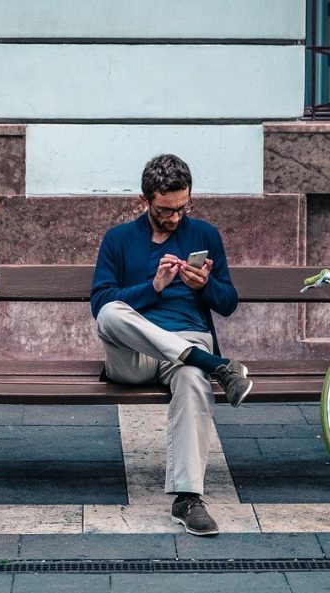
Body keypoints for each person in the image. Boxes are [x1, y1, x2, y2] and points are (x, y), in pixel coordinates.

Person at [90, 154, 252, 536]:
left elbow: (228, 302)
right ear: (145, 201)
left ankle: (188, 498)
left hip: (186, 341)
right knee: (111, 313)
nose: (175, 217)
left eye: (183, 208)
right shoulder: (118, 239)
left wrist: (204, 286)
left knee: (194, 378)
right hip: (132, 355)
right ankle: (214, 363)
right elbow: (100, 302)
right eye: (166, 210)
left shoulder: (206, 235)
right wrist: (154, 288)